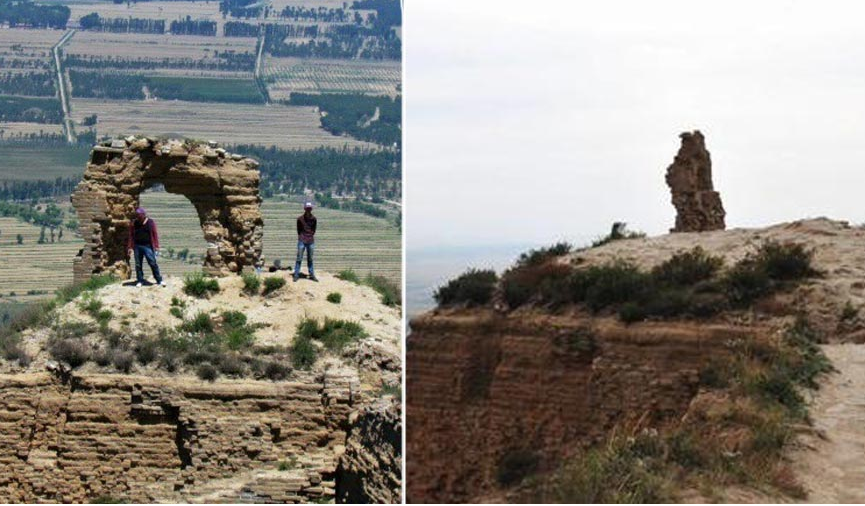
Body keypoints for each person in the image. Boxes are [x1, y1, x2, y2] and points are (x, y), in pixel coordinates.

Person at [127, 207, 165, 287]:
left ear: (143, 215)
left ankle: (159, 280)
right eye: (137, 215)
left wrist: (156, 246)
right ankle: (140, 280)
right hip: (137, 246)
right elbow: (131, 235)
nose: (138, 217)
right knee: (138, 264)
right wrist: (130, 247)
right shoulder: (134, 223)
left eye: (139, 215)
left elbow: (154, 234)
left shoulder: (150, 222)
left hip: (147, 246)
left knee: (152, 262)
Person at [294, 201, 317, 282]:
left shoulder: (314, 219)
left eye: (309, 208)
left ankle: (311, 274)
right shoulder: (300, 219)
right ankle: (296, 274)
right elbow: (298, 230)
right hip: (302, 239)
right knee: (299, 258)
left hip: (310, 240)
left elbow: (314, 229)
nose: (308, 210)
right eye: (307, 208)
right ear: (305, 209)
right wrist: (301, 236)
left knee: (310, 258)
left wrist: (310, 235)